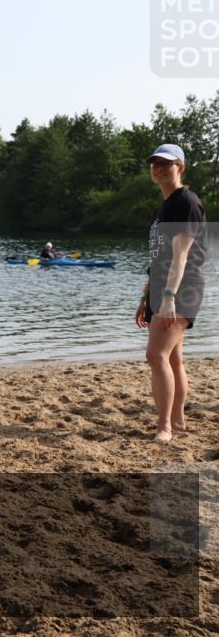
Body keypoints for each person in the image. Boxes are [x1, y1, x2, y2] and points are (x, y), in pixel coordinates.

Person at [135, 144, 208, 442]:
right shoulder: (162, 208)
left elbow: (180, 257)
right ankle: (176, 422)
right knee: (174, 357)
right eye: (155, 164)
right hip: (163, 288)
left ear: (181, 167)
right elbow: (159, 258)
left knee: (156, 355)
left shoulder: (186, 202)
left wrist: (167, 299)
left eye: (167, 163)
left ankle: (164, 426)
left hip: (182, 289)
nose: (159, 168)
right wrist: (146, 296)